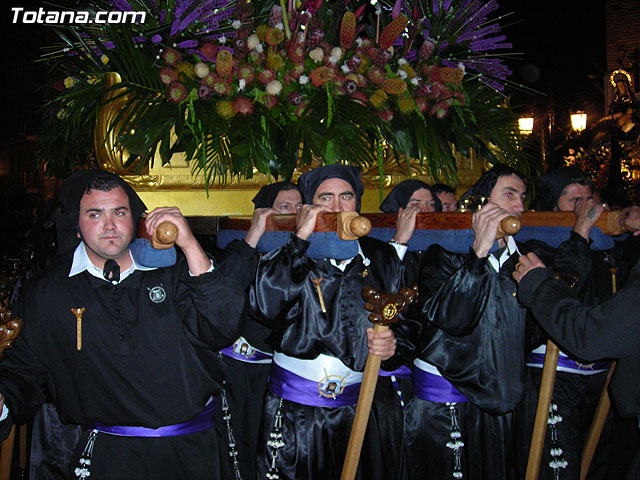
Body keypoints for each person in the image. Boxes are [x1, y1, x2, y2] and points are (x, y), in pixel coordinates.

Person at [0, 170, 246, 479]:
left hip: (192, 452)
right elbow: (27, 369)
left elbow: (222, 326)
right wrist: (3, 399)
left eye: (119, 212)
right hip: (106, 455)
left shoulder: (172, 272)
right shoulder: (50, 290)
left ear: (135, 218)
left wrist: (190, 245)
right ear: (76, 226)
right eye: (94, 214)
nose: (109, 225)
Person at [250, 164, 404, 480]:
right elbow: (266, 307)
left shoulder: (381, 256)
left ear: (357, 203)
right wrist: (300, 239)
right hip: (295, 413)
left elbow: (407, 322)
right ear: (309, 205)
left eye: (345, 196)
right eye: (325, 198)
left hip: (356, 408)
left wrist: (393, 345)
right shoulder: (289, 252)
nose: (336, 207)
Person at [404, 163, 541, 480]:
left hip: (497, 403)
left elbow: (529, 334)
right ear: (481, 204)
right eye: (509, 195)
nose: (519, 206)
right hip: (444, 405)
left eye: (522, 197)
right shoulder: (442, 254)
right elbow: (451, 319)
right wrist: (479, 252)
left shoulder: (526, 260)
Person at [512, 204, 640, 480]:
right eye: (575, 202)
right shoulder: (538, 242)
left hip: (596, 373)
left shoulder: (608, 251)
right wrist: (577, 237)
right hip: (559, 377)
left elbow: (599, 330)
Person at [215, 181, 301, 480]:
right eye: (285, 207)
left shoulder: (303, 256)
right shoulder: (242, 251)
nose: (294, 213)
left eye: (300, 206)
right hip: (236, 371)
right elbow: (222, 294)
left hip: (277, 377)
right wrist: (254, 234)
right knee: (236, 450)